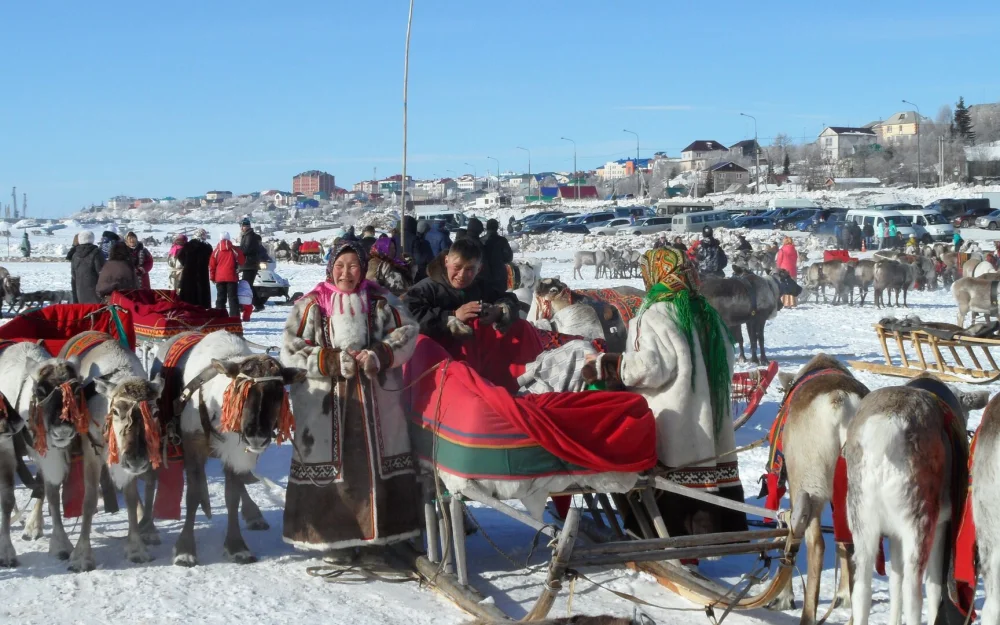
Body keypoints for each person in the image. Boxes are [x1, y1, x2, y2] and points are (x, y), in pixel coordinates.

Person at [581, 247, 747, 536]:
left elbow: (654, 367)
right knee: (707, 474)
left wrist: (607, 365)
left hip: (676, 421)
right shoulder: (709, 314)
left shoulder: (657, 313)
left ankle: (666, 543)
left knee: (656, 477)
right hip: (713, 418)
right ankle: (706, 541)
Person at [281, 241, 421, 563]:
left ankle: (379, 541)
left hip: (377, 401)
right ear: (331, 267)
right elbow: (291, 348)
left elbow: (408, 332)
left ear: (363, 268)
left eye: (354, 266)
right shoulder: (311, 305)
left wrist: (379, 354)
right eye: (340, 266)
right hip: (326, 405)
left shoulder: (382, 301)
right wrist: (330, 361)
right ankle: (336, 542)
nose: (347, 273)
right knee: (335, 470)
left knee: (375, 467)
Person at [402, 238, 519, 343]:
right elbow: (406, 316)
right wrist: (452, 316)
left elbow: (509, 299)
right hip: (436, 358)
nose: (462, 275)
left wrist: (499, 311)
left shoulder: (481, 287)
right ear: (446, 261)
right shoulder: (425, 289)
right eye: (457, 267)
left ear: (479, 269)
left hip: (476, 357)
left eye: (470, 269)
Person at [209, 232, 246, 317]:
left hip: (219, 278)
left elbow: (212, 265)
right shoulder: (234, 250)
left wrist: (212, 277)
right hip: (232, 277)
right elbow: (242, 261)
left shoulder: (216, 251)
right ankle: (234, 318)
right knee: (232, 298)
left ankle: (220, 317)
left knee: (220, 298)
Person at [178, 230, 213, 308]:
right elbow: (210, 260)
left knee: (188, 293)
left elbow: (180, 256)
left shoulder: (187, 245)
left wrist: (186, 264)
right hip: (202, 273)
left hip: (188, 273)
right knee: (202, 294)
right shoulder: (207, 247)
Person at [69, 230, 104, 304]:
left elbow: (73, 275)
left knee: (84, 312)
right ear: (92, 239)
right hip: (95, 292)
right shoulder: (96, 253)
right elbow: (101, 273)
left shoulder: (75, 255)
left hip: (80, 292)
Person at [481, 218, 513, 293]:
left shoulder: (480, 240)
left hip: (483, 274)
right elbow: (509, 257)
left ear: (487, 227)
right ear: (497, 227)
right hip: (499, 274)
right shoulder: (502, 241)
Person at [239, 218, 263, 310]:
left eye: (242, 226)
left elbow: (246, 249)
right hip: (249, 264)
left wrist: (238, 251)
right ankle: (255, 304)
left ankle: (257, 304)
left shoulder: (249, 235)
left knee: (247, 285)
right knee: (248, 285)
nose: (241, 228)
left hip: (249, 264)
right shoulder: (246, 235)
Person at [775, 237, 799, 308]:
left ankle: (785, 302)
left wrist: (777, 268)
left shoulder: (782, 250)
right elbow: (795, 259)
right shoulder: (794, 250)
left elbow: (779, 261)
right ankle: (792, 302)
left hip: (784, 271)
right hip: (793, 270)